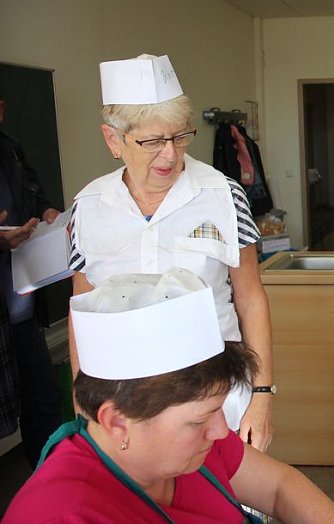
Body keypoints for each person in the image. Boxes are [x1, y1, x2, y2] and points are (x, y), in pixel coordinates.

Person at [2, 269, 334, 523]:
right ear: (117, 420)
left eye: (218, 409)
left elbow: (279, 487)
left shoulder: (198, 445)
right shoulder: (63, 515)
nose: (220, 431)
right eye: (198, 420)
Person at [67, 54, 274, 451]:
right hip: (123, 399)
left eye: (179, 137)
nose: (170, 154)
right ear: (113, 139)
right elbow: (82, 310)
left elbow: (250, 299)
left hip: (215, 394)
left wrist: (263, 395)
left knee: (225, 503)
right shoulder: (88, 206)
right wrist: (82, 404)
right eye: (151, 141)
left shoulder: (223, 195)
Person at [0, 91, 63, 467]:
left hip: (22, 306)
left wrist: (48, 210)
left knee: (43, 402)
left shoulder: (11, 150)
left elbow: (35, 194)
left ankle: (51, 483)